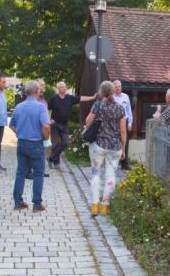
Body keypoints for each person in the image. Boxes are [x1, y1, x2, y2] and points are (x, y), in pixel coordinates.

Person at [85, 81, 127, 217]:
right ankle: (105, 206)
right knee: (111, 176)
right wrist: (124, 149)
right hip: (115, 147)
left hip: (98, 145)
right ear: (113, 91)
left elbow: (87, 121)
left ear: (102, 92)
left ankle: (95, 205)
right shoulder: (120, 108)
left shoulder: (98, 105)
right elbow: (123, 131)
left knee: (95, 173)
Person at [11, 81, 51, 212]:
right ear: (36, 92)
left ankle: (18, 202)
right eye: (39, 90)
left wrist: (20, 133)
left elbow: (11, 125)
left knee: (21, 172)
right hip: (36, 143)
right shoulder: (40, 107)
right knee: (39, 173)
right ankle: (37, 204)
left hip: (22, 143)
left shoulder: (19, 106)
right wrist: (45, 137)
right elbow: (46, 125)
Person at [47, 81, 96, 168]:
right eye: (62, 87)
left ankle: (51, 158)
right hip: (55, 125)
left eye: (65, 87)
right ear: (59, 89)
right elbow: (46, 109)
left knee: (65, 143)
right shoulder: (53, 99)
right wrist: (49, 119)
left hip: (64, 125)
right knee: (55, 144)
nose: (64, 88)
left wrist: (93, 97)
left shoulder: (70, 98)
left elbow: (81, 98)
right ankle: (56, 162)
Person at [112, 80, 133, 170]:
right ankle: (114, 163)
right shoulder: (111, 97)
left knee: (125, 142)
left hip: (125, 121)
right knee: (114, 142)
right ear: (113, 88)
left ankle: (124, 163)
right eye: (116, 86)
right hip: (114, 122)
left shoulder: (125, 96)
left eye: (119, 86)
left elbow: (129, 110)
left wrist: (130, 122)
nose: (118, 88)